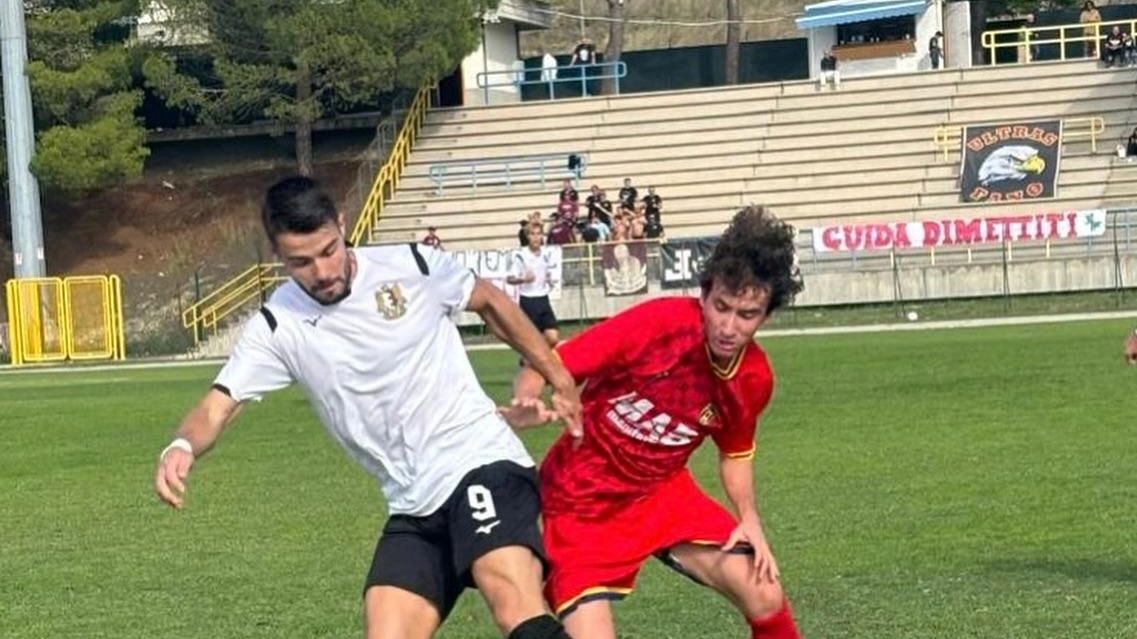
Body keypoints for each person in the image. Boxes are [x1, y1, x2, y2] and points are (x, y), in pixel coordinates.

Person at [153, 176, 582, 639]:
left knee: (513, 604)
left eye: (329, 250)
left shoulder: (412, 264)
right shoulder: (280, 324)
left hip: (479, 463)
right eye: (301, 261)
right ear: (277, 254)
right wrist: (182, 445)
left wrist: (558, 376)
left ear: (342, 225)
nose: (322, 271)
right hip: (413, 502)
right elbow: (219, 405)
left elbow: (491, 302)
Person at [502, 206, 806, 639]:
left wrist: (750, 517)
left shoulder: (754, 378)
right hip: (581, 501)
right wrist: (528, 397)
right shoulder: (657, 324)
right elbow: (549, 364)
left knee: (765, 592)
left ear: (766, 316)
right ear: (704, 294)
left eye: (746, 315)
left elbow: (735, 451)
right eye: (720, 306)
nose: (727, 326)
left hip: (660, 494)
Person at [507, 224, 560, 348]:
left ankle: (536, 359)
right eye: (532, 234)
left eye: (538, 234)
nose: (536, 238)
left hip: (543, 299)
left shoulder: (546, 253)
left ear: (542, 236)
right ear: (527, 237)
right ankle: (532, 360)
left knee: (553, 338)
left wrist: (549, 279)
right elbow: (510, 279)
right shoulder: (521, 255)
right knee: (532, 340)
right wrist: (523, 279)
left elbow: (547, 272)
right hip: (528, 301)